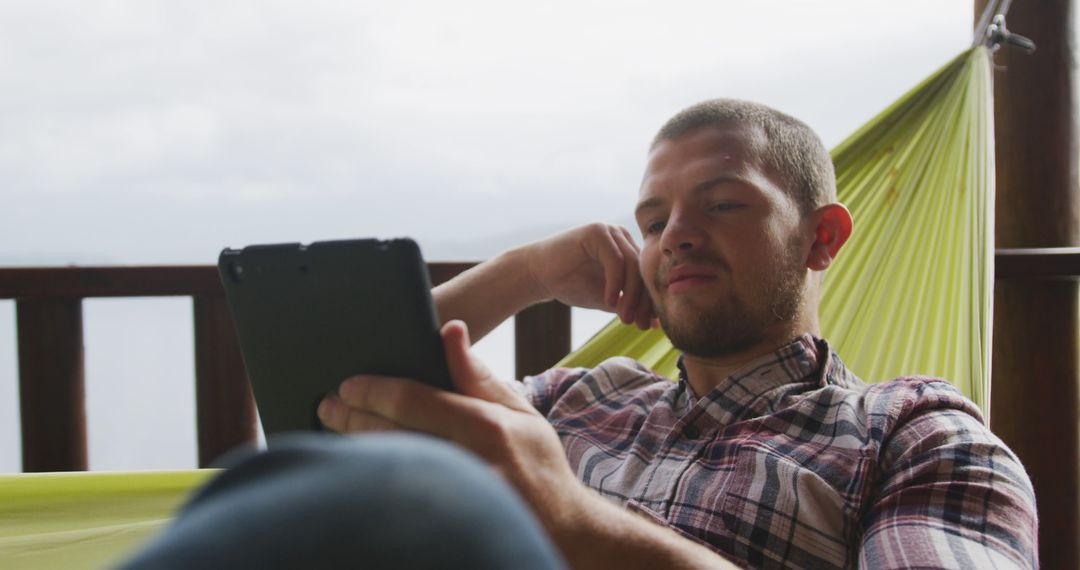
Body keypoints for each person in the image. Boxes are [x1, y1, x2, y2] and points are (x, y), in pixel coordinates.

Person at [124, 99, 1038, 569]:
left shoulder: (919, 436)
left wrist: (569, 522)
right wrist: (527, 274)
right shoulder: (580, 398)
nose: (674, 233)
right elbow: (339, 410)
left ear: (822, 237)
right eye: (651, 219)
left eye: (722, 205)